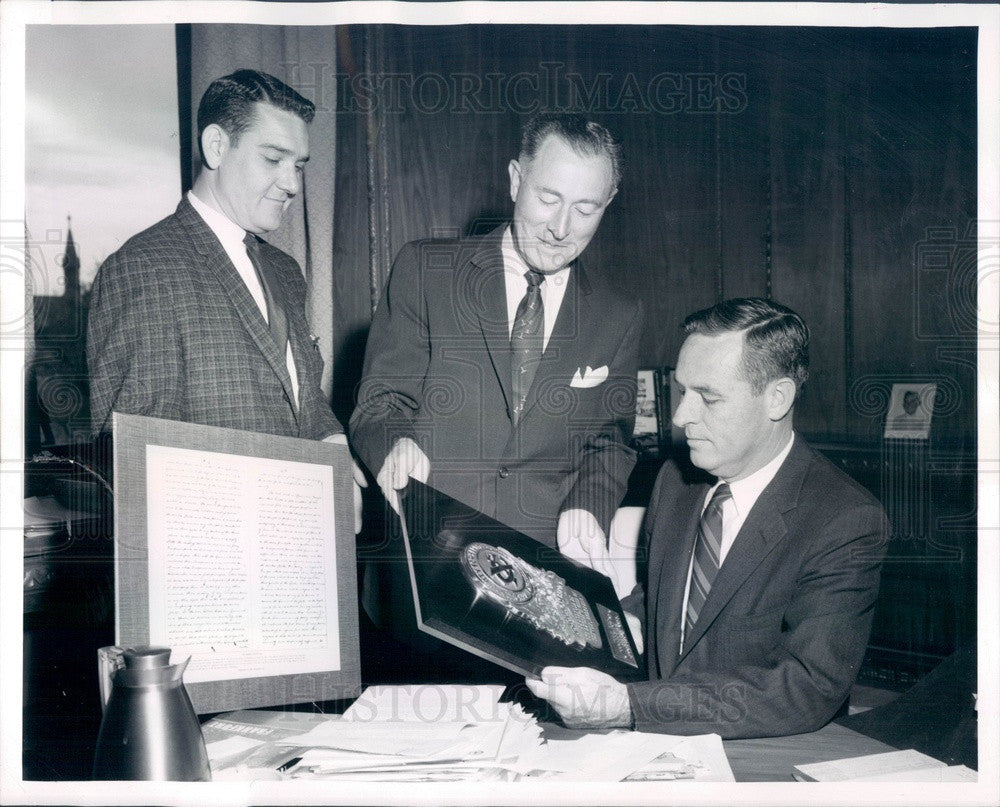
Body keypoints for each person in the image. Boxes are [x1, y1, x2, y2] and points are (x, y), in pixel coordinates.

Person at [527, 298, 889, 739]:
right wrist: (589, 627)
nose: (681, 417)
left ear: (777, 398)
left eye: (708, 398)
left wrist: (627, 705)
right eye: (683, 392)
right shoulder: (676, 481)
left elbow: (805, 688)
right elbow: (659, 605)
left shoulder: (845, 520)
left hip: (764, 759)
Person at [350, 113, 641, 576]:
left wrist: (587, 505)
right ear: (514, 180)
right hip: (424, 560)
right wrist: (395, 445)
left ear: (609, 203)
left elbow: (611, 443)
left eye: (586, 209)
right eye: (548, 198)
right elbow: (380, 404)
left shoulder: (618, 317)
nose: (561, 228)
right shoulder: (426, 272)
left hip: (543, 575)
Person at [88, 69, 363, 529]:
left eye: (298, 165)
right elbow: (137, 464)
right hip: (213, 565)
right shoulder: (143, 268)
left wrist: (334, 447)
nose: (292, 184)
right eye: (273, 159)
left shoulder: (285, 272)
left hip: (301, 546)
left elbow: (302, 398)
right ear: (216, 146)